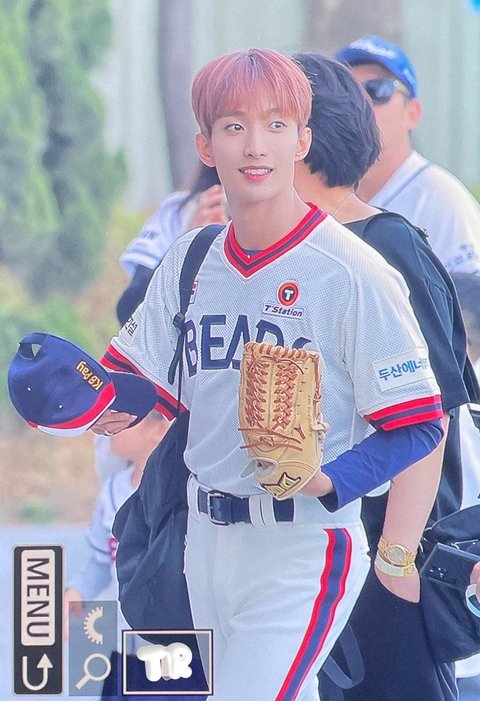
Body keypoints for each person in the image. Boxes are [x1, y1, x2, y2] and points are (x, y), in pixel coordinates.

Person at [93, 48, 444, 701]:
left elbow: (420, 423)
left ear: (302, 139)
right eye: (234, 126)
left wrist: (330, 479)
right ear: (206, 145)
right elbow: (132, 385)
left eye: (276, 124)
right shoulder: (191, 258)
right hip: (203, 541)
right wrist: (74, 390)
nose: (256, 145)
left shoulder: (352, 272)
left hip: (302, 545)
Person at [293, 52, 477, 701]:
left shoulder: (390, 244)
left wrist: (396, 560)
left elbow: (432, 413)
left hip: (383, 548)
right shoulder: (258, 250)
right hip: (292, 546)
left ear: (305, 139)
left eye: (265, 123)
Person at [334, 35, 480, 275]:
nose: (360, 105)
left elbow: (469, 295)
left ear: (412, 113)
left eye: (377, 90)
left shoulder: (442, 200)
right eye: (347, 92)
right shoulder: (317, 189)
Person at [64, 410, 168, 699]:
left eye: (125, 418)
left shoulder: (183, 492)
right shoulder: (112, 492)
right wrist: (77, 591)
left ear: (158, 429)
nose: (111, 427)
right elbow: (102, 560)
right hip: (125, 648)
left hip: (176, 652)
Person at [116, 161, 227, 326]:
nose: (254, 151)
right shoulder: (177, 213)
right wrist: (191, 242)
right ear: (206, 149)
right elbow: (130, 311)